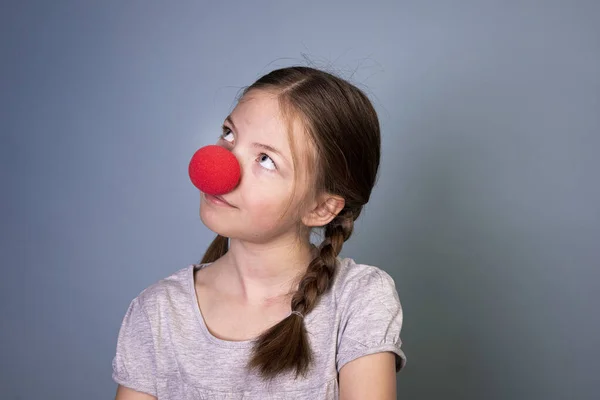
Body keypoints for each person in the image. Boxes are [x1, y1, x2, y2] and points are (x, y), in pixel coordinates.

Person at [112, 66, 406, 400]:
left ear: (321, 208)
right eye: (229, 134)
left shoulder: (359, 299)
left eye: (265, 159)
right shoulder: (159, 313)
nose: (221, 167)